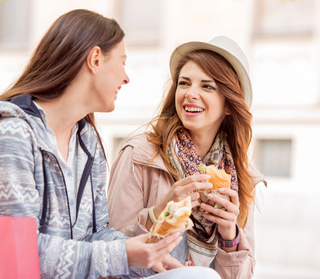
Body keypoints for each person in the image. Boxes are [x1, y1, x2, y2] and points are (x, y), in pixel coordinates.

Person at [0, 9, 187, 279]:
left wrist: (147, 255)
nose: (126, 77)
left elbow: (94, 235)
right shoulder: (12, 137)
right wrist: (123, 254)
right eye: (122, 62)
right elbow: (18, 253)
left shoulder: (87, 142)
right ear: (95, 59)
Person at [107, 36, 265, 278]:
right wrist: (158, 213)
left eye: (207, 86)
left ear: (229, 105)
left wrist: (229, 236)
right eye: (184, 83)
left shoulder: (242, 176)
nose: (190, 94)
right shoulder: (138, 155)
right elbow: (111, 252)